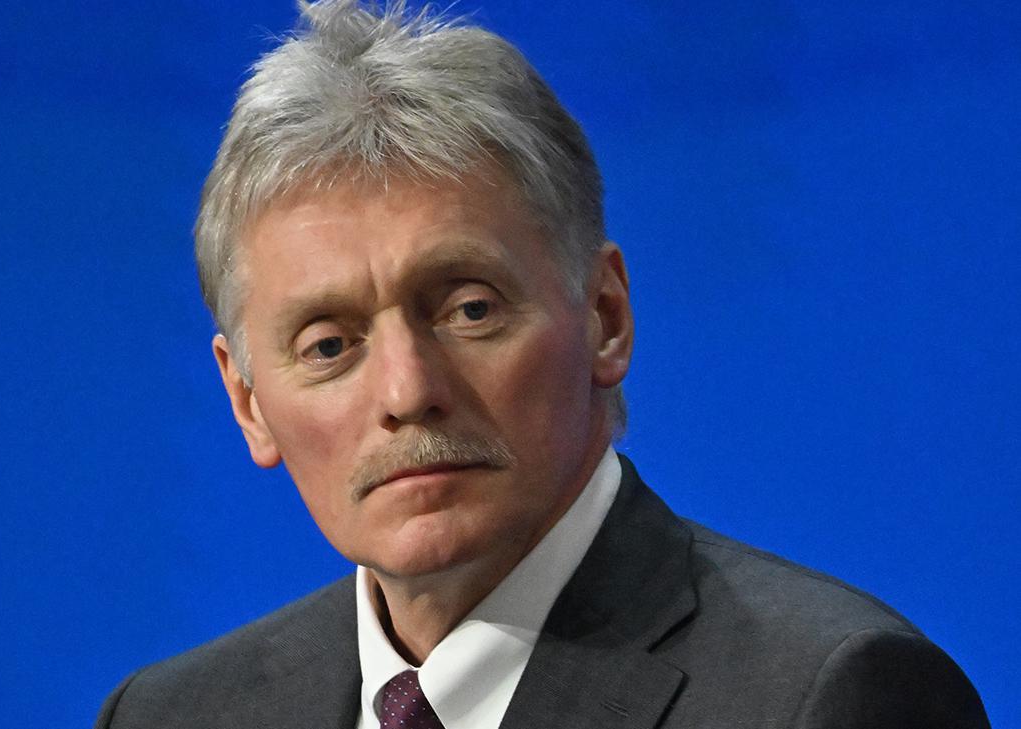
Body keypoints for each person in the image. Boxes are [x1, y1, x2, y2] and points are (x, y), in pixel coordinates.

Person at [96, 1, 990, 727]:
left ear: (604, 318)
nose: (408, 391)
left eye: (469, 309)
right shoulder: (168, 716)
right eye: (330, 345)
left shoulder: (830, 697)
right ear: (248, 400)